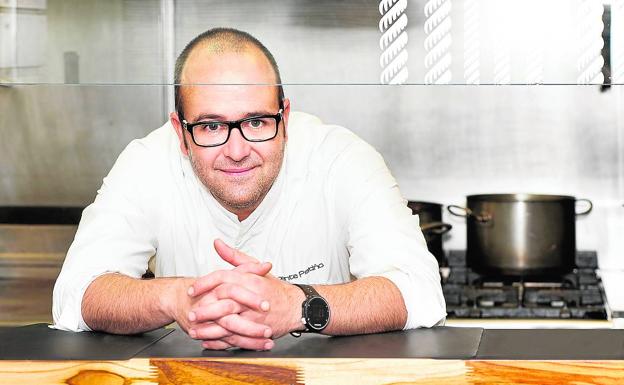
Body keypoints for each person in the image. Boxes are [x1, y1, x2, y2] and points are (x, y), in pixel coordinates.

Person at [52, 27, 446, 351]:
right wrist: (174, 297)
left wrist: (298, 304)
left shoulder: (342, 158)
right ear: (180, 133)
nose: (237, 151)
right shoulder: (147, 162)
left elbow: (420, 291)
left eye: (256, 122)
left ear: (285, 117)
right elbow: (76, 292)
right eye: (210, 126)